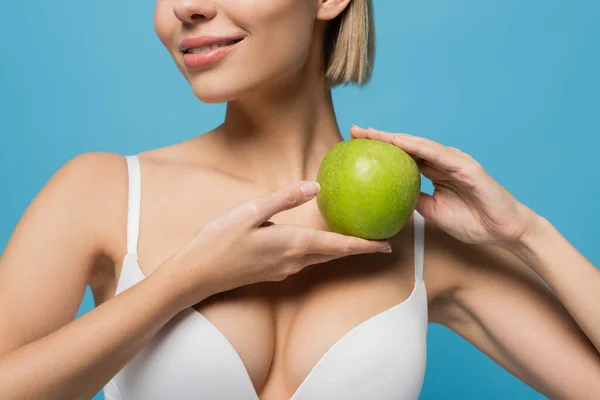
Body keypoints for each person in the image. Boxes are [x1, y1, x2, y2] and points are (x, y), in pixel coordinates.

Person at [0, 0, 598, 399]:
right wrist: (184, 281)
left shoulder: (418, 235)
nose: (185, 7)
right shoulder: (102, 191)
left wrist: (527, 234)